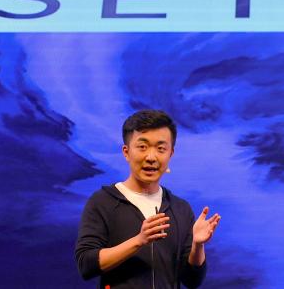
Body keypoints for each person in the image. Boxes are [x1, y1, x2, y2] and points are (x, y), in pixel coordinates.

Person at [75, 110, 221, 288]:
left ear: (170, 154)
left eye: (161, 149)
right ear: (126, 152)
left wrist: (197, 246)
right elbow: (86, 265)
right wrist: (139, 241)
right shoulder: (103, 202)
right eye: (142, 147)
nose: (151, 157)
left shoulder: (180, 209)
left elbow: (192, 280)